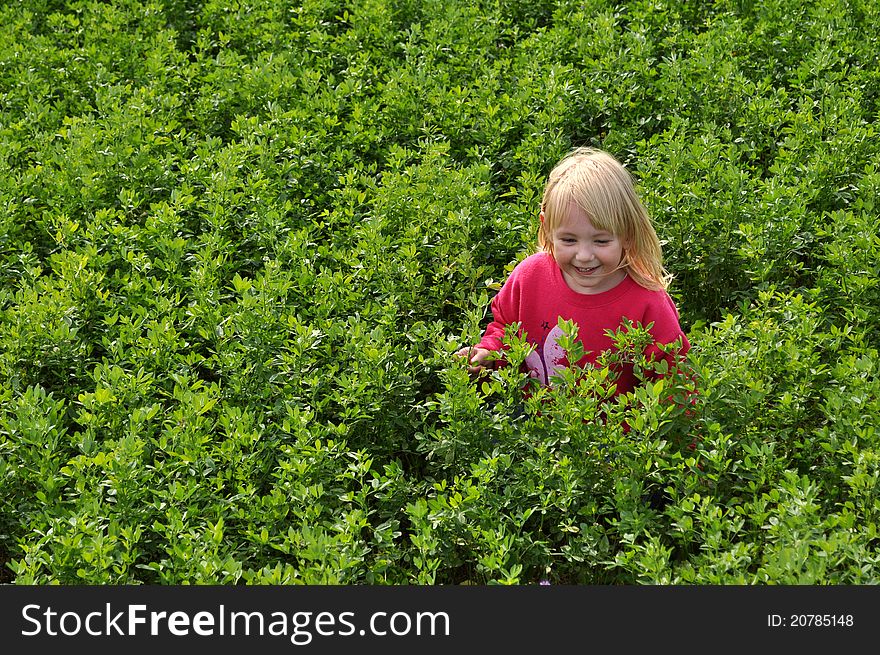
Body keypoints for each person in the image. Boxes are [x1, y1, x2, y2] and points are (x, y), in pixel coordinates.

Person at [455, 147, 690, 396]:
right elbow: (505, 328)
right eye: (568, 240)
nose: (584, 255)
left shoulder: (647, 303)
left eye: (601, 241)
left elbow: (676, 381)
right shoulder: (530, 277)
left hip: (617, 434)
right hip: (531, 429)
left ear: (628, 235)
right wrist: (488, 353)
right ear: (547, 229)